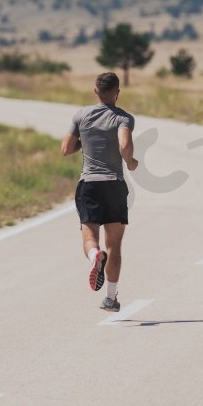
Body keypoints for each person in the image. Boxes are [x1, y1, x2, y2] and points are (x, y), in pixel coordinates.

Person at [61, 71, 139, 312]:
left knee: (89, 237)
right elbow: (124, 144)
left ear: (95, 90)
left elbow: (66, 148)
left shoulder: (81, 115)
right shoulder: (123, 118)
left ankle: (95, 254)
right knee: (114, 243)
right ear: (118, 92)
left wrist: (88, 137)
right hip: (114, 184)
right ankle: (111, 297)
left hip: (89, 185)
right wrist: (130, 161)